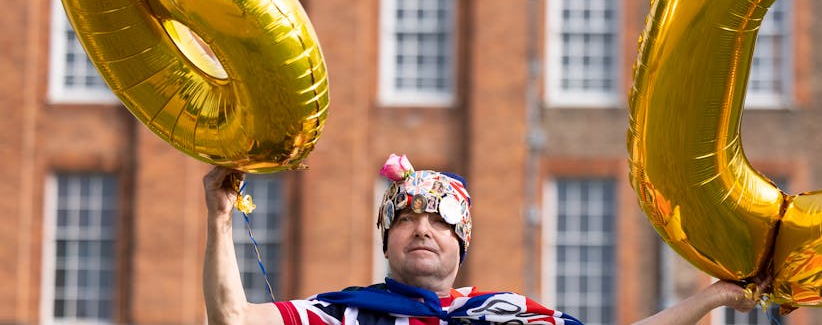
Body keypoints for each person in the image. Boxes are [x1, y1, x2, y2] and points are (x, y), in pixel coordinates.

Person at [203, 154, 764, 325]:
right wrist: (221, 218)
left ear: (461, 243)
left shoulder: (507, 315)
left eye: (440, 220)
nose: (423, 228)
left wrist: (712, 297)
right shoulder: (342, 315)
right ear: (387, 241)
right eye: (406, 219)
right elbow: (232, 318)